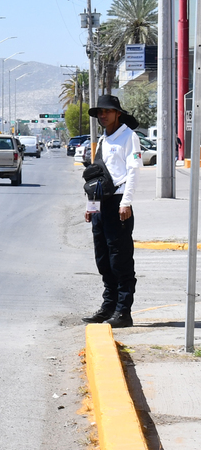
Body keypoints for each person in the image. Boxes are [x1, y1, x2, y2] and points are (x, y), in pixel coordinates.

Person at [82, 94, 142, 328]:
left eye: (107, 111)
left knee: (120, 259)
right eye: (99, 112)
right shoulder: (104, 140)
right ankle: (108, 306)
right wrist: (91, 206)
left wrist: (125, 202)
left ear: (118, 113)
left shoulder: (129, 137)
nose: (102, 115)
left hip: (119, 204)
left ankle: (123, 311)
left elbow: (133, 171)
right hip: (101, 205)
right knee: (103, 259)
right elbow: (97, 177)